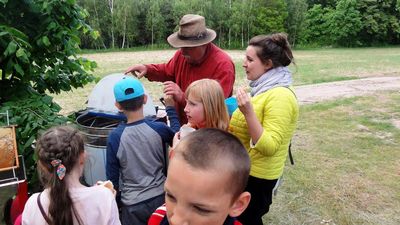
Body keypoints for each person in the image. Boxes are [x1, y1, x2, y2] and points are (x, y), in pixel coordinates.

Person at [229, 33, 299, 225]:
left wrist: (248, 112)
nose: (244, 63)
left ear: (267, 64)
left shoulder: (281, 96)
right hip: (246, 171)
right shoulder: (264, 88)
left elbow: (269, 146)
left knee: (247, 220)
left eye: (250, 59)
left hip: (258, 179)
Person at [124, 14, 235, 125]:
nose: (182, 51)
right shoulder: (182, 56)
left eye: (187, 47)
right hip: (182, 127)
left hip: (208, 134)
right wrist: (147, 69)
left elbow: (215, 108)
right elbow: (167, 71)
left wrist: (182, 97)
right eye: (181, 46)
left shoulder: (223, 65)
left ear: (204, 44)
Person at [106, 77, 179, 225]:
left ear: (118, 105)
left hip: (132, 205)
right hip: (160, 198)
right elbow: (179, 137)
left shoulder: (115, 137)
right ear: (145, 99)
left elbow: (112, 177)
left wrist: (118, 204)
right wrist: (171, 109)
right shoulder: (159, 129)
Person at [147, 128, 251, 225]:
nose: (175, 221)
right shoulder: (158, 218)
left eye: (200, 209)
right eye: (170, 196)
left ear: (237, 204)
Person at [22, 126, 121, 225]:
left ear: (43, 166)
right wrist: (106, 199)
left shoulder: (33, 204)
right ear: (82, 157)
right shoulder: (103, 198)